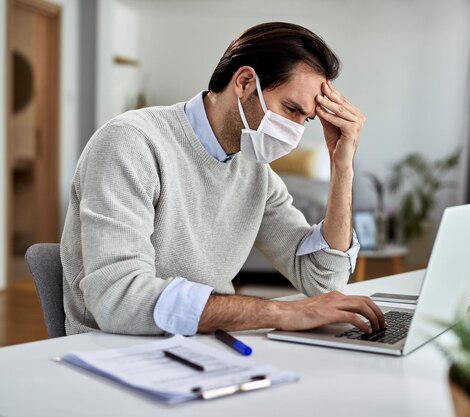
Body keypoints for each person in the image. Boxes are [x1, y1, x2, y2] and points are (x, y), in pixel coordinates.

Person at [60, 22, 385, 337]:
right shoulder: (132, 142)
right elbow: (118, 299)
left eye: (306, 119)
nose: (297, 131)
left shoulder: (254, 172)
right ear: (244, 82)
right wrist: (282, 313)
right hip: (116, 352)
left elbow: (324, 282)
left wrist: (342, 167)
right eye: (290, 109)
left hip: (206, 344)